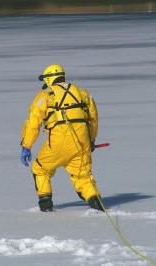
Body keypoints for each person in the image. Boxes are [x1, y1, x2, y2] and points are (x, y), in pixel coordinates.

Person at [19, 64, 104, 212]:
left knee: (40, 169)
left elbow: (33, 123)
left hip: (58, 141)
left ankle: (46, 206)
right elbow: (93, 119)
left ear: (49, 79)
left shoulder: (45, 96)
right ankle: (96, 202)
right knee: (83, 176)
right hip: (81, 142)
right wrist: (91, 140)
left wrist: (26, 146)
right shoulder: (83, 94)